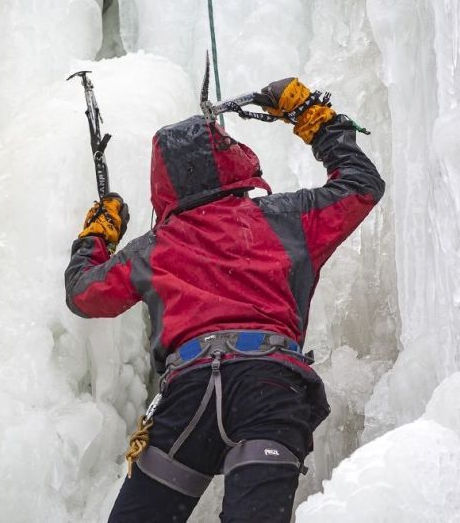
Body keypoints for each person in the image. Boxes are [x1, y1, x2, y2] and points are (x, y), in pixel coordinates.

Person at [64, 77, 384, 522]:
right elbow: (360, 186)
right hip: (269, 390)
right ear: (232, 162)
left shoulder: (156, 248)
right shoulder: (284, 219)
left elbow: (84, 293)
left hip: (190, 398)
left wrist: (97, 235)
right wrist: (314, 116)